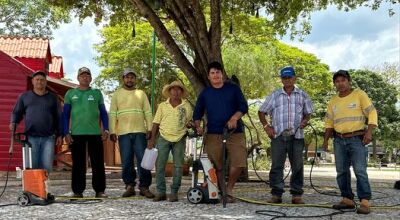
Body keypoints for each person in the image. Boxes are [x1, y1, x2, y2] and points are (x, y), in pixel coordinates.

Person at [322, 70, 377, 214]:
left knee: (360, 171)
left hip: (357, 139)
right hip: (339, 140)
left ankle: (365, 201)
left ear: (349, 81)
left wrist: (369, 131)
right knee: (341, 171)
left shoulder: (359, 94)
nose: (340, 83)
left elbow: (372, 112)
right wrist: (325, 140)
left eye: (343, 80)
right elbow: (329, 123)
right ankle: (347, 199)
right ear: (334, 84)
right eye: (337, 81)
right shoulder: (333, 101)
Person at [193, 61, 248, 203]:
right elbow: (197, 112)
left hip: (235, 132)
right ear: (209, 76)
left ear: (222, 74)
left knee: (239, 161)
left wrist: (235, 117)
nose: (215, 75)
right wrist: (198, 125)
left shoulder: (233, 89)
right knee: (215, 164)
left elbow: (243, 106)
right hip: (213, 133)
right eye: (212, 73)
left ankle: (230, 188)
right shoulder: (205, 93)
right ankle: (222, 191)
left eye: (218, 72)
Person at [258, 66, 313, 204]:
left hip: (297, 136)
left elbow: (308, 113)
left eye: (289, 77)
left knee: (298, 166)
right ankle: (276, 194)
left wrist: (305, 121)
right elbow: (261, 111)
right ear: (281, 79)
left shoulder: (302, 94)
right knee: (277, 165)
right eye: (284, 77)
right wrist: (266, 126)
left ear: (295, 78)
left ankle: (296, 195)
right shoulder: (274, 95)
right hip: (278, 135)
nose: (287, 80)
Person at [63, 67, 109, 198]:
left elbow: (103, 113)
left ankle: (100, 190)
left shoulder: (96, 93)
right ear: (78, 78)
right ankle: (77, 191)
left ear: (91, 78)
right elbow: (65, 115)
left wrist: (106, 129)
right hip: (76, 134)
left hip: (95, 134)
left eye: (87, 75)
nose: (85, 77)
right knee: (78, 164)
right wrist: (66, 132)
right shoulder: (70, 94)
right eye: (82, 75)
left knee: (98, 163)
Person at [109, 69, 154, 198]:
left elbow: (147, 112)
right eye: (127, 77)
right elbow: (112, 114)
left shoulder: (141, 94)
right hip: (123, 133)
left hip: (140, 132)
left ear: (135, 80)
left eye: (132, 77)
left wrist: (150, 128)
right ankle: (129, 186)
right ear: (123, 79)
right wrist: (112, 131)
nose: (130, 80)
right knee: (127, 160)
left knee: (143, 160)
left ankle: (144, 187)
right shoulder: (117, 95)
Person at [148, 81, 193, 202]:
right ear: (169, 91)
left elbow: (189, 123)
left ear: (181, 92)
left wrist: (190, 125)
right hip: (163, 137)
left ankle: (174, 192)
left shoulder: (186, 106)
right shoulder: (162, 105)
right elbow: (155, 123)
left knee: (178, 166)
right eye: (173, 89)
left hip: (180, 138)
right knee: (159, 165)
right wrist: (152, 140)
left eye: (179, 89)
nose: (176, 92)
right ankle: (161, 192)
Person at [10, 71, 62, 173]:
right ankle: (33, 189)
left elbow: (59, 117)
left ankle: (44, 189)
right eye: (37, 79)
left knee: (46, 168)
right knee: (32, 168)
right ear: (33, 81)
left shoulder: (53, 98)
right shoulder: (24, 97)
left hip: (49, 138)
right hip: (31, 138)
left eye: (42, 80)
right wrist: (13, 122)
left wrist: (60, 134)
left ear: (46, 82)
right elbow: (16, 113)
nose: (39, 82)